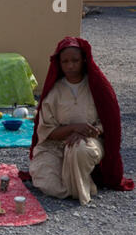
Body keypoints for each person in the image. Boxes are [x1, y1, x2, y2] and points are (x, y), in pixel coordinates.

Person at [28, 36, 133, 205]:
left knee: (78, 149)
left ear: (84, 60)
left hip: (88, 140)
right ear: (59, 64)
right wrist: (74, 128)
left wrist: (88, 131)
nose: (70, 66)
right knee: (49, 185)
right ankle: (81, 182)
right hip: (54, 146)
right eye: (65, 62)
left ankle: (80, 188)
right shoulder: (54, 92)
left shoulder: (97, 87)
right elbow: (47, 130)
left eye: (75, 60)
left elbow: (108, 122)